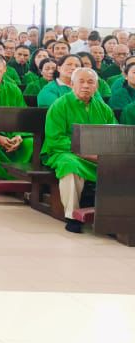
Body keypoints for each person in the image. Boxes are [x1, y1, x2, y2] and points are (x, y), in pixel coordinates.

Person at [43, 68, 116, 233]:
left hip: (97, 155)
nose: (85, 86)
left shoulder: (103, 108)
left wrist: (103, 153)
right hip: (65, 152)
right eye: (81, 81)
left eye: (90, 82)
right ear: (72, 84)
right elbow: (56, 139)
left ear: (96, 86)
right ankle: (72, 216)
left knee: (121, 164)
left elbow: (113, 134)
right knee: (70, 166)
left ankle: (114, 214)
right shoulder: (60, 105)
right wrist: (85, 152)